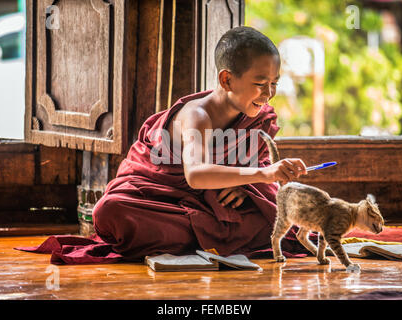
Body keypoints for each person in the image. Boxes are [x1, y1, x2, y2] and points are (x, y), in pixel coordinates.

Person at [90, 26, 308, 261]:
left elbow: (259, 170)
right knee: (110, 211)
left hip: (215, 208)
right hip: (163, 200)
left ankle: (201, 238)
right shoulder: (197, 115)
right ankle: (217, 237)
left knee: (275, 214)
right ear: (227, 79)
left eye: (274, 83)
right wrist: (262, 174)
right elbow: (195, 174)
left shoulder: (259, 117)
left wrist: (247, 187)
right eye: (260, 83)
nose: (269, 93)